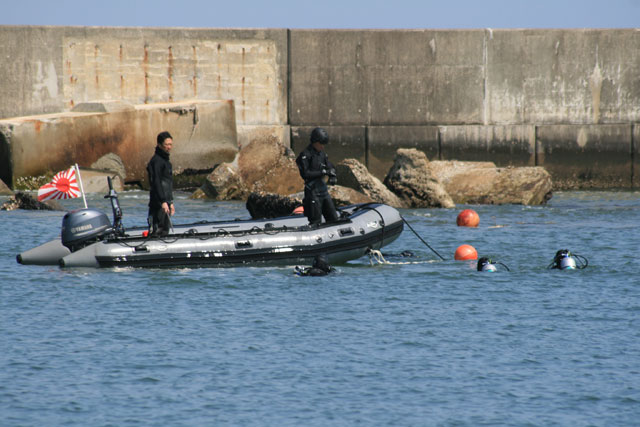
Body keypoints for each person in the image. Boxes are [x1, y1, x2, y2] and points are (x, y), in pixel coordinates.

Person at [295, 127, 339, 225]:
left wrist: (332, 175)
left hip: (323, 191)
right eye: (321, 144)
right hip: (313, 192)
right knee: (316, 221)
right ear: (315, 142)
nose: (323, 146)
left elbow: (330, 166)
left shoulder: (322, 154)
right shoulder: (305, 154)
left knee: (333, 218)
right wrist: (323, 172)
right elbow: (305, 174)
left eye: (324, 144)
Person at [147, 131, 175, 236]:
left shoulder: (166, 162)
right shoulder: (156, 161)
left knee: (165, 230)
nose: (169, 147)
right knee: (158, 230)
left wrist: (170, 202)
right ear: (159, 145)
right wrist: (163, 201)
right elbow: (156, 182)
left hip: (166, 202)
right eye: (166, 145)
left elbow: (167, 184)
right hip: (158, 203)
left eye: (170, 144)